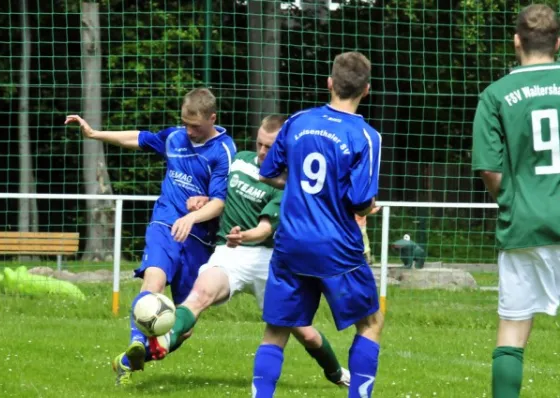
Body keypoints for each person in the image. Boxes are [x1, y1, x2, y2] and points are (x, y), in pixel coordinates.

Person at [161, 114, 350, 388]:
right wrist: (206, 201)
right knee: (199, 295)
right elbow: (222, 196)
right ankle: (155, 344)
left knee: (306, 334)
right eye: (260, 144)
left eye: (269, 147)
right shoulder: (239, 160)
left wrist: (244, 235)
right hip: (231, 253)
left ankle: (335, 373)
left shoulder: (290, 183)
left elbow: (264, 229)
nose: (262, 152)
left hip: (270, 261)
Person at [64, 88, 237, 386]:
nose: (189, 131)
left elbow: (219, 202)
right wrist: (94, 135)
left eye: (195, 126)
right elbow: (139, 138)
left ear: (212, 118)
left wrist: (194, 214)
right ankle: (136, 340)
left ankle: (130, 360)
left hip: (199, 238)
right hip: (166, 222)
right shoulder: (175, 138)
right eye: (185, 123)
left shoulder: (223, 151)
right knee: (153, 281)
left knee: (185, 328)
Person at [252, 52, 383, 398]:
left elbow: (267, 172)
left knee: (276, 330)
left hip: (291, 243)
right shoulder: (366, 136)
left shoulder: (297, 121)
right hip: (337, 246)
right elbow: (359, 200)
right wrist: (369, 206)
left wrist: (294, 185)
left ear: (330, 83)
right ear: (366, 90)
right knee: (371, 323)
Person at [471, 4, 560, 398]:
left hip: (523, 224)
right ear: (558, 43)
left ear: (516, 41)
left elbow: (490, 170)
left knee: (512, 328)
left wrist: (513, 201)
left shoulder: (496, 95)